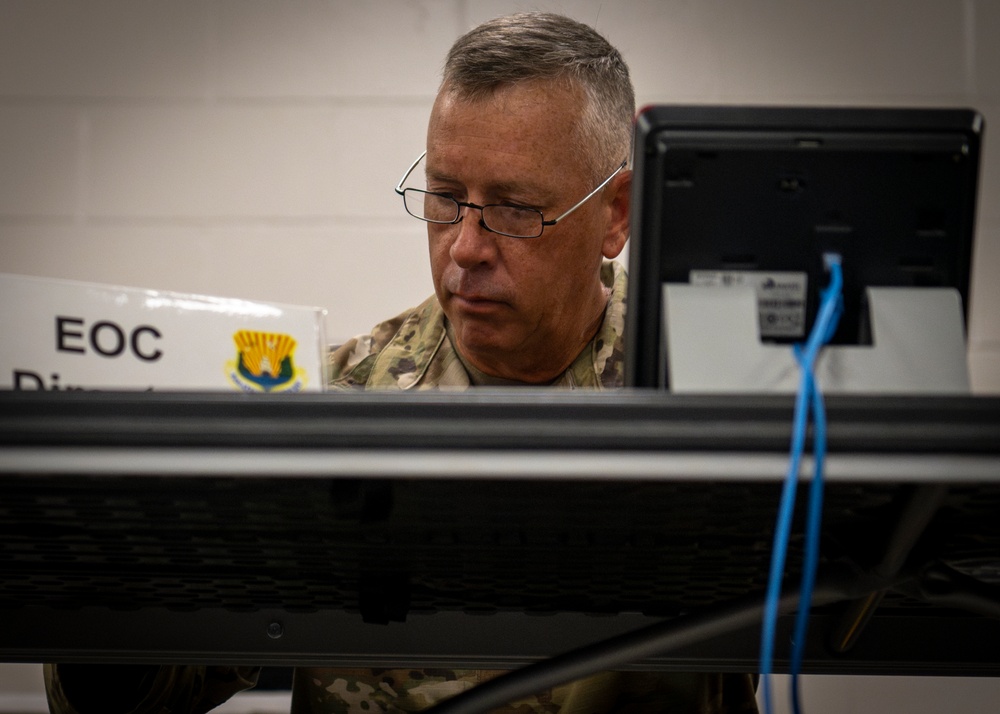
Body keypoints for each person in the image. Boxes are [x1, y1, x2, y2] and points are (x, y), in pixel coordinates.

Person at [44, 12, 758, 714]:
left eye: (514, 209)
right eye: (446, 198)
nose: (466, 248)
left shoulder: (723, 401)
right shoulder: (334, 404)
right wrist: (106, 554)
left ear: (616, 215)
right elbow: (143, 694)